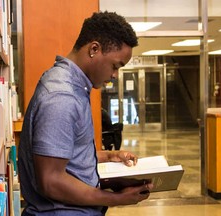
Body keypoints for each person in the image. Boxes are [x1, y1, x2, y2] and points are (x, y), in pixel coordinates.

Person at [18, 11, 153, 216]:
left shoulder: (73, 87)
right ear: (94, 49)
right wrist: (117, 199)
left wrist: (109, 155)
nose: (115, 75)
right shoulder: (62, 97)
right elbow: (51, 181)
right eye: (115, 66)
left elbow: (65, 155)